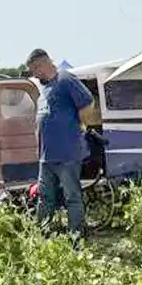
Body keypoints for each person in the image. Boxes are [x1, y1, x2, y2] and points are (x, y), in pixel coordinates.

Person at [25, 48, 93, 239]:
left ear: (43, 64)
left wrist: (81, 126)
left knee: (72, 196)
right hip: (46, 157)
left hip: (66, 154)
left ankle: (76, 236)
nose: (34, 75)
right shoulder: (45, 88)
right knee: (45, 198)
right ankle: (42, 235)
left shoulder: (65, 80)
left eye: (34, 70)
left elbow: (87, 103)